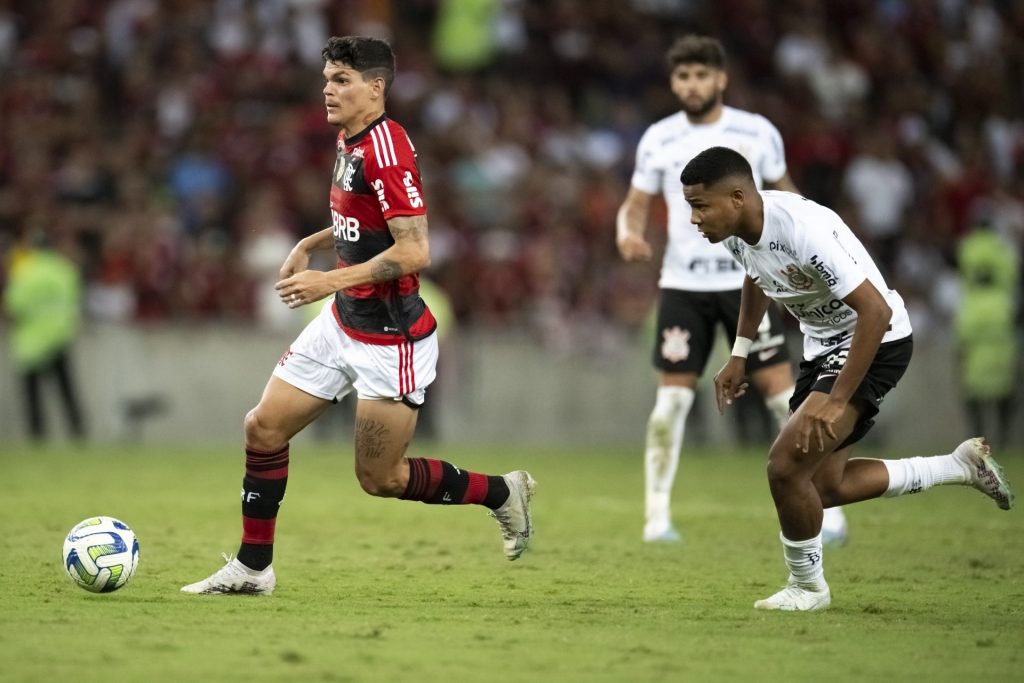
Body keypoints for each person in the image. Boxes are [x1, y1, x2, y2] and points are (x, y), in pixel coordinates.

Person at [182, 36, 535, 596]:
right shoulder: (353, 140)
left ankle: (502, 492)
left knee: (382, 479)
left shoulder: (387, 148)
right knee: (263, 428)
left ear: (376, 87)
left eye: (341, 79)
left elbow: (415, 251)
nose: (328, 88)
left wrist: (328, 279)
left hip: (390, 340)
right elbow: (363, 222)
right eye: (326, 78)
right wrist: (313, 242)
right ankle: (253, 568)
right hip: (343, 321)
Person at [682, 146, 1014, 612]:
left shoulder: (802, 229)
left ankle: (808, 587)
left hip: (875, 339)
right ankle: (959, 467)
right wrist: (739, 352)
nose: (694, 219)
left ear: (737, 197)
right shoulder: (737, 232)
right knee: (822, 487)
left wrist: (839, 398)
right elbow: (757, 278)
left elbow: (874, 310)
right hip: (823, 345)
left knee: (784, 467)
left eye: (700, 206)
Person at [615, 34, 848, 544]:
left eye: (701, 75)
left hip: (750, 279)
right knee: (671, 405)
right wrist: (628, 233)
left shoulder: (757, 132)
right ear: (674, 82)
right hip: (682, 285)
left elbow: (788, 197)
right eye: (682, 76)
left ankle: (828, 510)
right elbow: (635, 201)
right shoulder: (658, 137)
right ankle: (656, 519)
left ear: (720, 79)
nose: (692, 85)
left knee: (784, 398)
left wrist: (814, 245)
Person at [3, 232, 86, 441]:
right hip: (58, 337)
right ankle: (78, 434)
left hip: (31, 343)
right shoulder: (65, 271)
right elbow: (74, 302)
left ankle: (37, 436)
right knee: (66, 392)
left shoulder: (24, 272)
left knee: (33, 396)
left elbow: (13, 307)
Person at [954, 222, 1019, 447]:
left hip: (975, 361)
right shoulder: (1005, 301)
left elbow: (962, 336)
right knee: (1004, 401)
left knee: (975, 403)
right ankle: (1003, 439)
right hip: (1001, 357)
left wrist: (960, 358)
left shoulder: (969, 302)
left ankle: (978, 440)